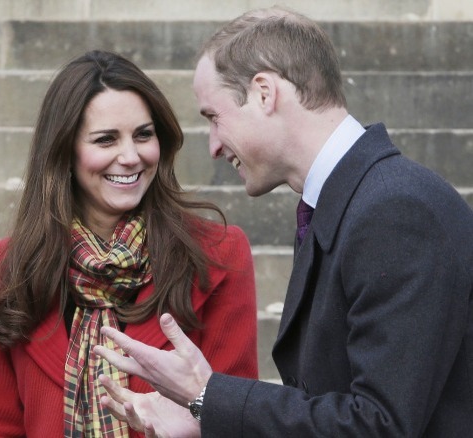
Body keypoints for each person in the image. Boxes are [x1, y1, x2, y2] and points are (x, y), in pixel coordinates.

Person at [94, 6, 473, 437]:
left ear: (263, 92)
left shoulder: (395, 210)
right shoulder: (350, 201)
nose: (214, 146)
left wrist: (206, 394)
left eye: (213, 117)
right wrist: (207, 420)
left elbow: (379, 425)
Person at [0, 50, 258, 437]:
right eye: (105, 140)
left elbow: (238, 422)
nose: (131, 157)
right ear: (65, 152)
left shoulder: (218, 254)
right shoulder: (10, 266)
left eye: (143, 135)